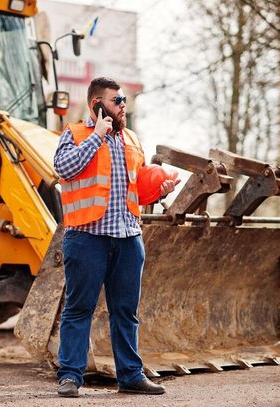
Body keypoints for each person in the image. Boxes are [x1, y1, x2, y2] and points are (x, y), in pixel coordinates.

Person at [53, 77, 179, 398]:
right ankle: (70, 376)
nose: (123, 105)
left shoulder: (133, 140)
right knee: (79, 308)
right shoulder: (75, 134)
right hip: (87, 237)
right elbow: (64, 169)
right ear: (97, 104)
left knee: (126, 311)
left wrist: (159, 190)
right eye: (117, 100)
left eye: (124, 100)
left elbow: (137, 187)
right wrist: (97, 136)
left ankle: (131, 375)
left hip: (127, 237)